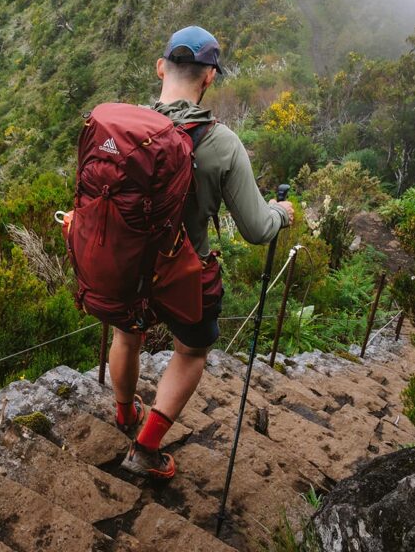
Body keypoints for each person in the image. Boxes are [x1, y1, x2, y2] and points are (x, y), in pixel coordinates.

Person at [117, 25, 295, 479]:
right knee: (192, 351)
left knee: (126, 334)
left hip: (126, 265)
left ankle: (124, 413)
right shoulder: (222, 143)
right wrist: (281, 214)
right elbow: (257, 230)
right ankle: (145, 447)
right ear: (210, 77)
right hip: (182, 272)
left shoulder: (125, 125)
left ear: (161, 67)